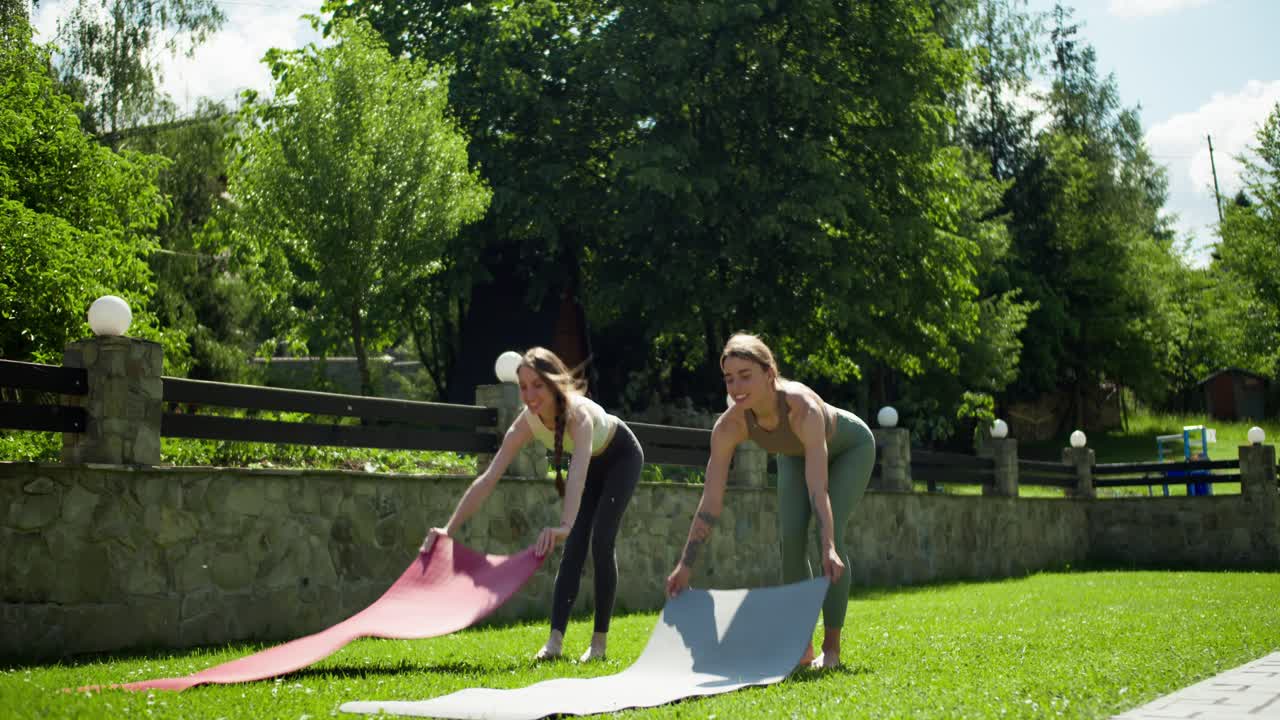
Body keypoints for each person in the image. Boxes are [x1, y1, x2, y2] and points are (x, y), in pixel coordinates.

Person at [665, 333, 875, 669]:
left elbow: (818, 488)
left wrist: (829, 546)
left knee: (829, 540)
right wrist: (685, 565)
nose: (736, 387)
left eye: (745, 376)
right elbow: (711, 501)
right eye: (729, 379)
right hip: (794, 454)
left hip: (850, 449)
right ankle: (802, 647)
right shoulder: (730, 425)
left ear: (769, 373)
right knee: (790, 539)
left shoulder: (802, 409)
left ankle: (831, 649)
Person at [421, 347, 643, 662]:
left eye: (537, 385)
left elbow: (577, 475)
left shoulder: (578, 416)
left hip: (622, 457)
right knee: (573, 548)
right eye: (524, 387)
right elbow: (488, 479)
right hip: (591, 465)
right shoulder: (526, 422)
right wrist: (448, 529)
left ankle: (598, 645)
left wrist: (565, 525)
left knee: (601, 540)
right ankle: (554, 643)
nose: (529, 395)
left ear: (554, 383)